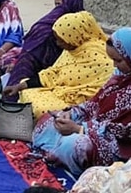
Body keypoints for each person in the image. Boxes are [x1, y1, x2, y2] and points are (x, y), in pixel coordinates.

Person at [31, 27, 131, 175]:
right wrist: (71, 113)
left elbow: (125, 132)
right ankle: (57, 154)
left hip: (119, 145)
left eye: (118, 60)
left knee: (75, 145)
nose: (115, 66)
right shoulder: (119, 75)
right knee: (47, 120)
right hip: (94, 125)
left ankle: (64, 158)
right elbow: (95, 102)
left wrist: (81, 129)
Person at [2, 11, 113, 119]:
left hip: (82, 103)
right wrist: (19, 86)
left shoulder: (99, 56)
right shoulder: (73, 48)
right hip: (62, 92)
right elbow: (53, 74)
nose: (58, 44)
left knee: (40, 109)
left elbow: (98, 92)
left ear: (75, 36)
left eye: (61, 40)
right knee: (25, 91)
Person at [5, 0, 84, 93]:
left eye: (60, 5)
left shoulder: (82, 28)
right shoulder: (47, 26)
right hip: (39, 75)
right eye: (56, 5)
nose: (57, 9)